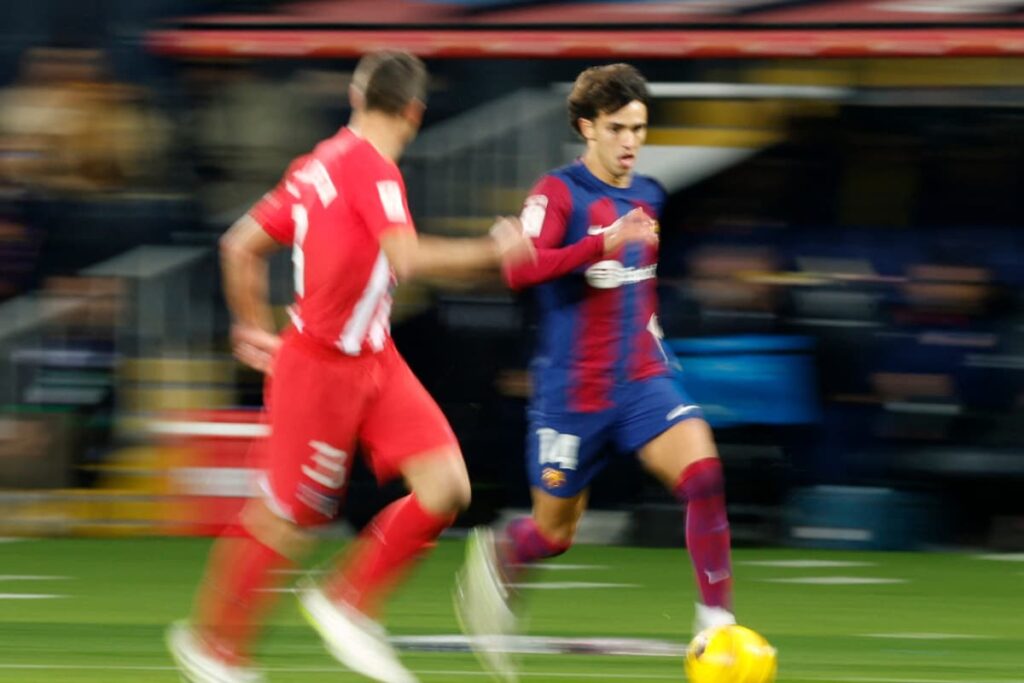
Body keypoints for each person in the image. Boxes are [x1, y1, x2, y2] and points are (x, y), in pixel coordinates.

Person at [167, 50, 533, 683]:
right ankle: (213, 648)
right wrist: (495, 249)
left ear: (355, 96)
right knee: (288, 519)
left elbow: (240, 245)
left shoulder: (319, 163)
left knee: (446, 487)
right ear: (415, 111)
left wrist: (249, 325)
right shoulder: (374, 172)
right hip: (320, 369)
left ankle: (346, 600)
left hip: (374, 358)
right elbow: (408, 258)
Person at [455, 63, 736, 681]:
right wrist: (601, 245)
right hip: (572, 394)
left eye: (639, 128)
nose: (631, 142)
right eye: (617, 128)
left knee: (704, 474)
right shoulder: (555, 194)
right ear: (587, 127)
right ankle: (505, 559)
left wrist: (653, 338)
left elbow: (640, 287)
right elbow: (520, 270)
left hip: (641, 380)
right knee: (554, 534)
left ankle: (716, 624)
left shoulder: (651, 195)